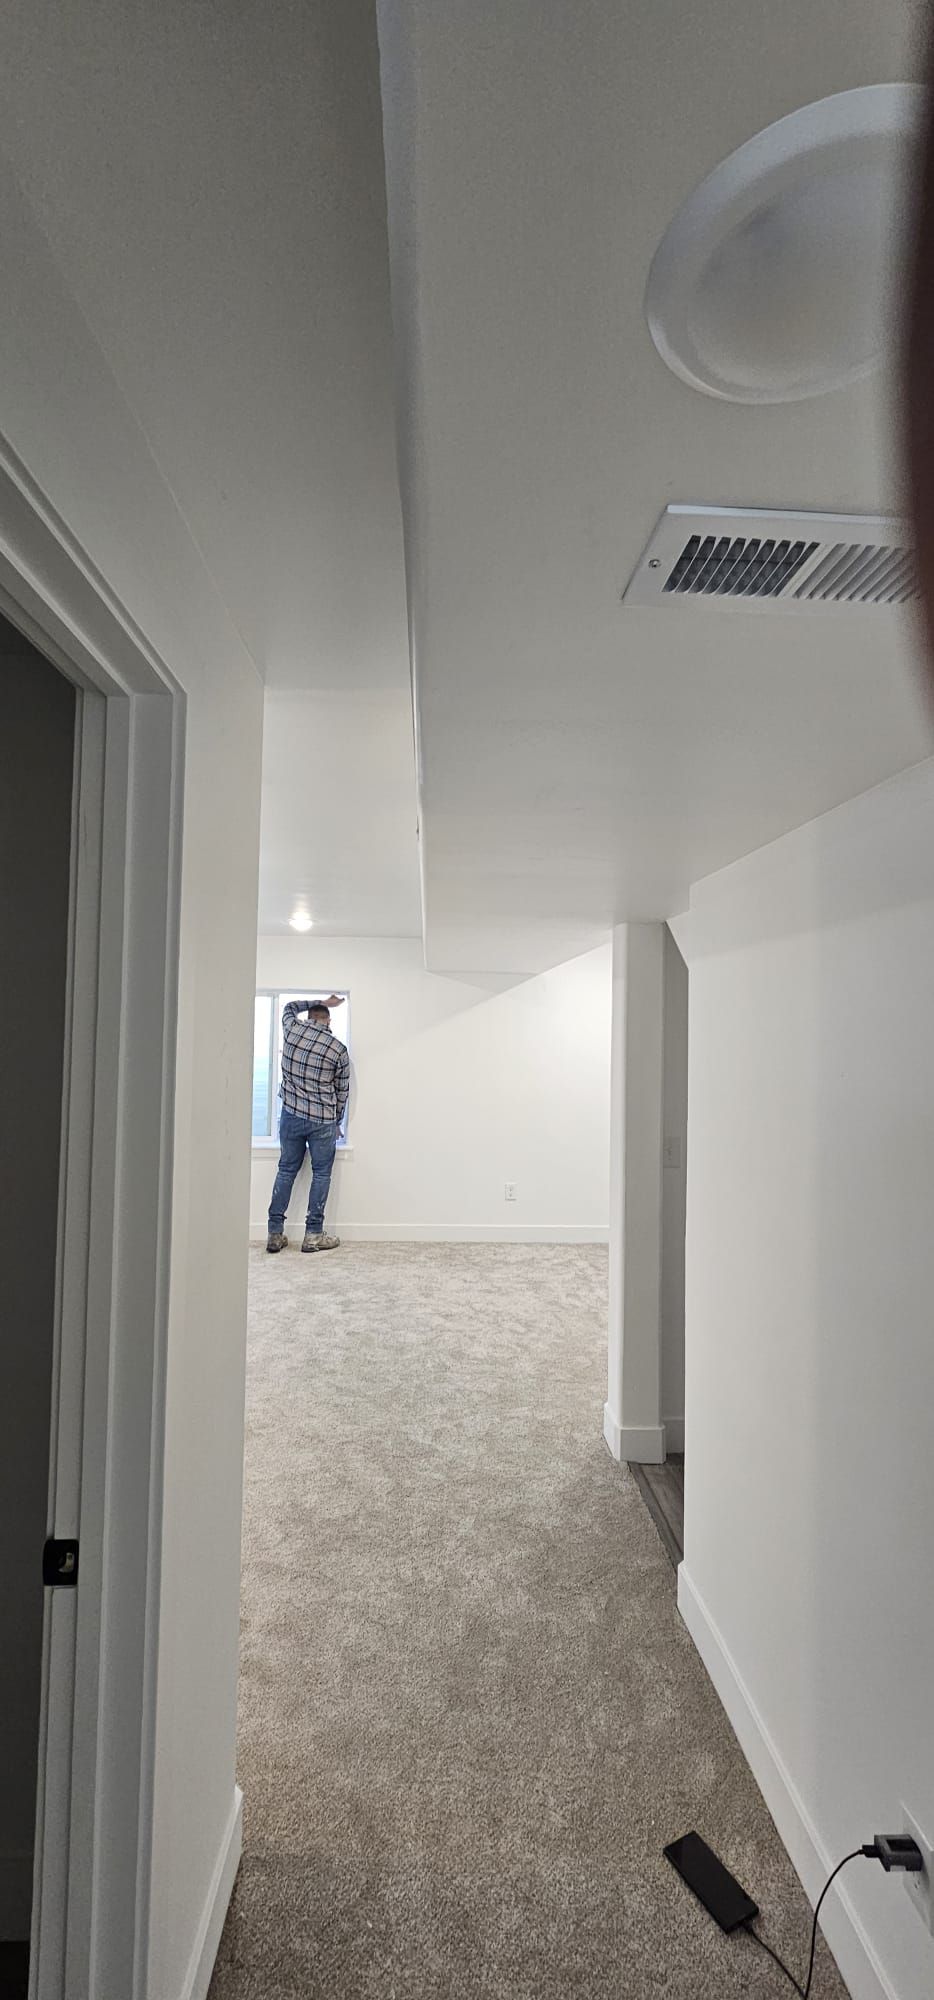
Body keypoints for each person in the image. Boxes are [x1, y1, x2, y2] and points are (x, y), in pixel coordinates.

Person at [266, 995, 349, 1254]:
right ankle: (313, 1235)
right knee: (321, 1173)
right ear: (327, 1020)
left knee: (286, 1170)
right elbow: (342, 1090)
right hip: (323, 1119)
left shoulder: (292, 1030)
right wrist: (336, 1121)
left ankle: (275, 1233)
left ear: (309, 1017)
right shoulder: (338, 1049)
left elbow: (289, 1007)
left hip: (291, 1114)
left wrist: (323, 1000)